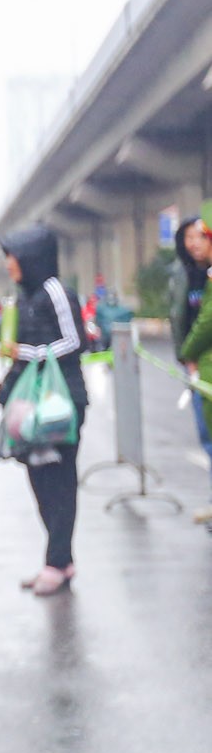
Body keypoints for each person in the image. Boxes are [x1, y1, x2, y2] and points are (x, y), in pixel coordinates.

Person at [0, 223, 87, 595]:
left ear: (30, 256)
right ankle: (59, 560)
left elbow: (75, 340)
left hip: (62, 402)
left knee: (59, 481)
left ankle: (57, 562)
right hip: (33, 405)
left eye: (12, 257)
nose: (8, 265)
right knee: (39, 480)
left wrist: (27, 354)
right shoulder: (24, 297)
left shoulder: (55, 291)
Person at [169, 214, 212, 522]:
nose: (193, 243)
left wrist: (189, 352)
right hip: (196, 366)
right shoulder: (184, 275)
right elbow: (180, 319)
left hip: (202, 361)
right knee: (205, 434)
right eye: (188, 237)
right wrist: (187, 358)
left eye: (199, 236)